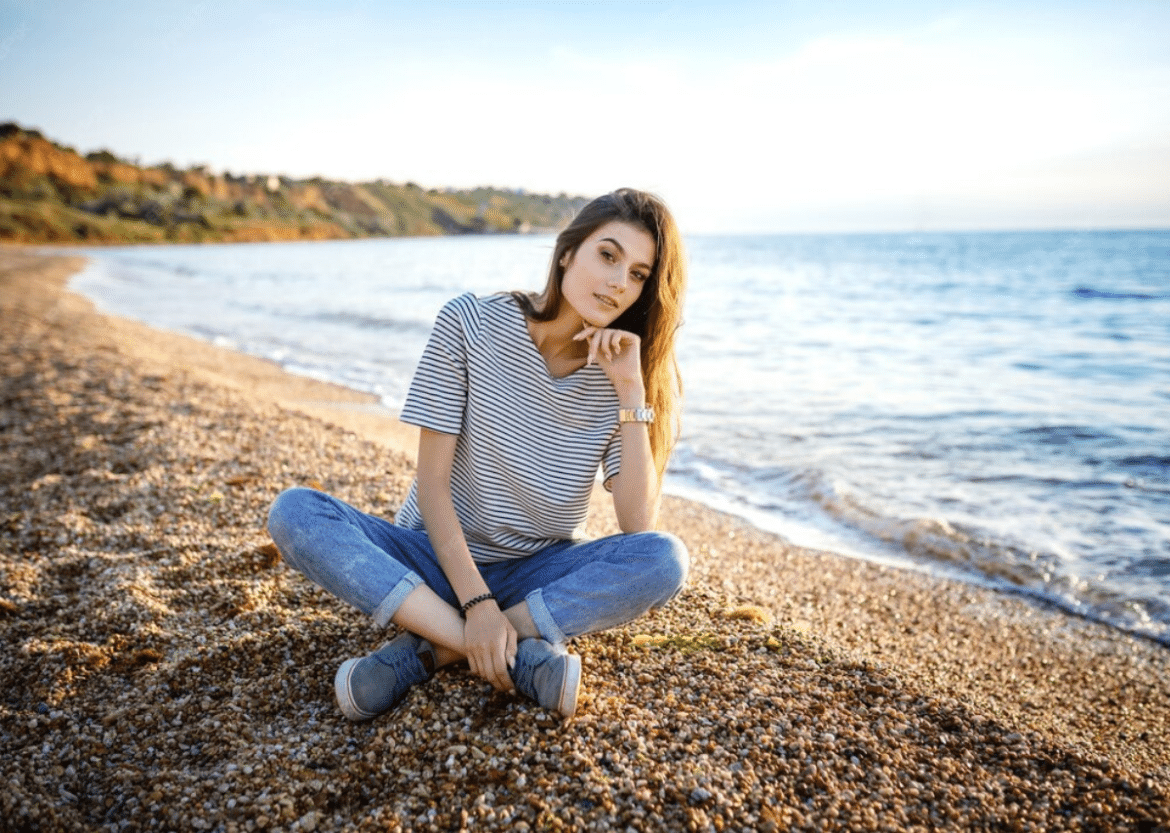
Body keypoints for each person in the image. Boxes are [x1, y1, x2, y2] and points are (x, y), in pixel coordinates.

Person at [266, 188, 690, 721]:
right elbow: (433, 487)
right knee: (296, 512)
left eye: (637, 274)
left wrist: (631, 392)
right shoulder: (471, 323)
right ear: (567, 253)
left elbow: (637, 523)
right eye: (608, 255)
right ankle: (511, 654)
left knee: (665, 557)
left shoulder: (616, 372)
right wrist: (477, 606)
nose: (617, 282)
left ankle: (427, 652)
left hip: (535, 569)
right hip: (432, 560)